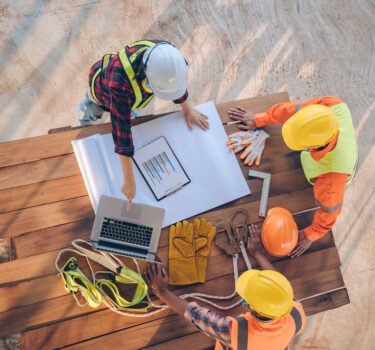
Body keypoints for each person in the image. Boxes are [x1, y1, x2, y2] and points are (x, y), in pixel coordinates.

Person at [76, 39, 209, 209]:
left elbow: (173, 83)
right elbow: (121, 131)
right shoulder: (120, 84)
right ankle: (83, 122)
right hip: (101, 93)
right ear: (145, 76)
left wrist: (188, 108)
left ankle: (129, 109)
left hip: (126, 97)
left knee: (128, 111)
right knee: (90, 112)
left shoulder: (165, 56)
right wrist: (129, 180)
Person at [228, 97, 358, 257]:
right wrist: (260, 119)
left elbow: (331, 212)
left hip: (335, 170)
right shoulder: (332, 105)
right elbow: (292, 110)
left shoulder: (331, 181)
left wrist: (311, 234)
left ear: (313, 147)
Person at [144, 224, 306, 350]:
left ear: (252, 308)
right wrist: (258, 254)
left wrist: (162, 292)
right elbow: (276, 287)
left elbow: (197, 316)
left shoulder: (235, 332)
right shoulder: (296, 312)